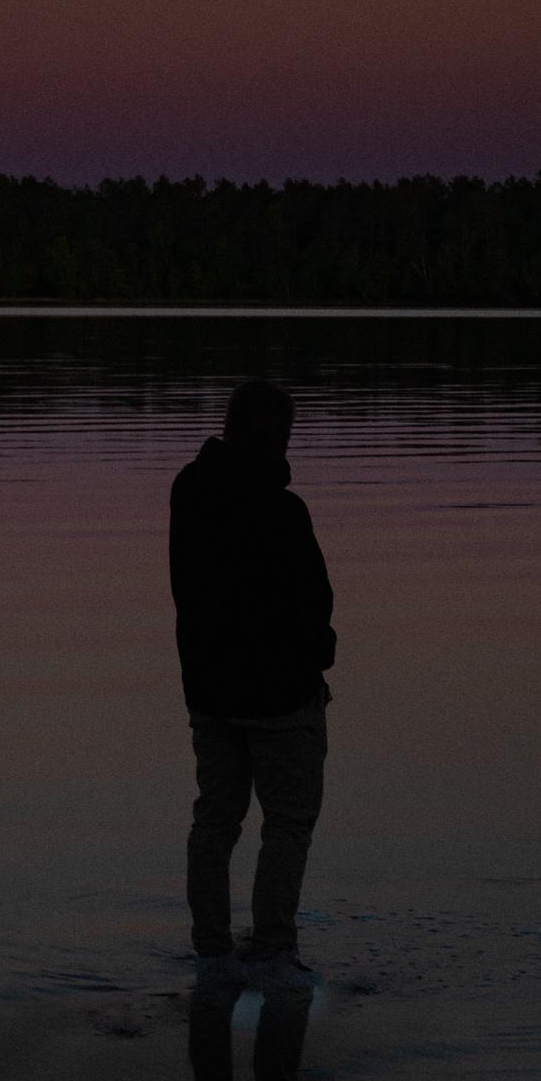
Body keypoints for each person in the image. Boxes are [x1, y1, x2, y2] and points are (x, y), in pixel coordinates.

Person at [169, 379, 336, 995]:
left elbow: (187, 591)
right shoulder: (283, 512)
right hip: (279, 699)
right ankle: (271, 951)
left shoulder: (188, 490)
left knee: (215, 821)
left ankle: (211, 953)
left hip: (210, 692)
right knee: (288, 824)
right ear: (280, 436)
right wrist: (320, 664)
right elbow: (312, 607)